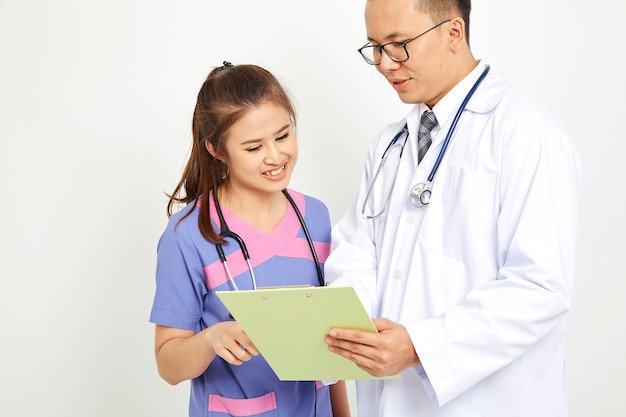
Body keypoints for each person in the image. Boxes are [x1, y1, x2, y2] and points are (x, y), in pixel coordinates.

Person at [323, 1, 582, 416]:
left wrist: (420, 347)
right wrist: (344, 324)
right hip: (391, 399)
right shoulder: (390, 145)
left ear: (453, 33)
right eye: (374, 47)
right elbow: (358, 250)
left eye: (399, 44)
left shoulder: (525, 134)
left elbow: (539, 288)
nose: (385, 64)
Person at [150, 61, 350, 417]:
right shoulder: (188, 235)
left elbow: (330, 344)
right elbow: (168, 364)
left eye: (283, 136)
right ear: (216, 149)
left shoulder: (315, 218)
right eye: (254, 147)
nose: (275, 157)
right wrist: (212, 339)